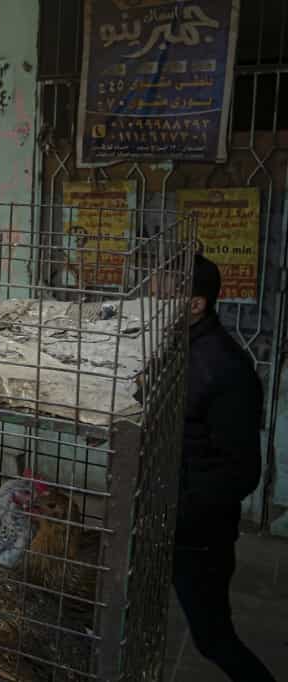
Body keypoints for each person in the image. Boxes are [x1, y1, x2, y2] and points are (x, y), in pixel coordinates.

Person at [172, 253, 274, 681]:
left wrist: (188, 517)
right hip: (168, 515)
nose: (151, 294)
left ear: (197, 304)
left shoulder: (225, 368)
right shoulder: (181, 347)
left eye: (164, 288)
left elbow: (242, 471)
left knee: (213, 639)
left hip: (198, 533)